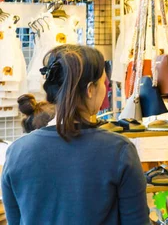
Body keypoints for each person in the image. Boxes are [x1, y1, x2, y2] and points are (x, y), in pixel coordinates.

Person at [1, 45, 148, 225]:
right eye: (104, 83)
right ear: (90, 90)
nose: (105, 89)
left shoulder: (17, 152)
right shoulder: (119, 151)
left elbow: (15, 221)